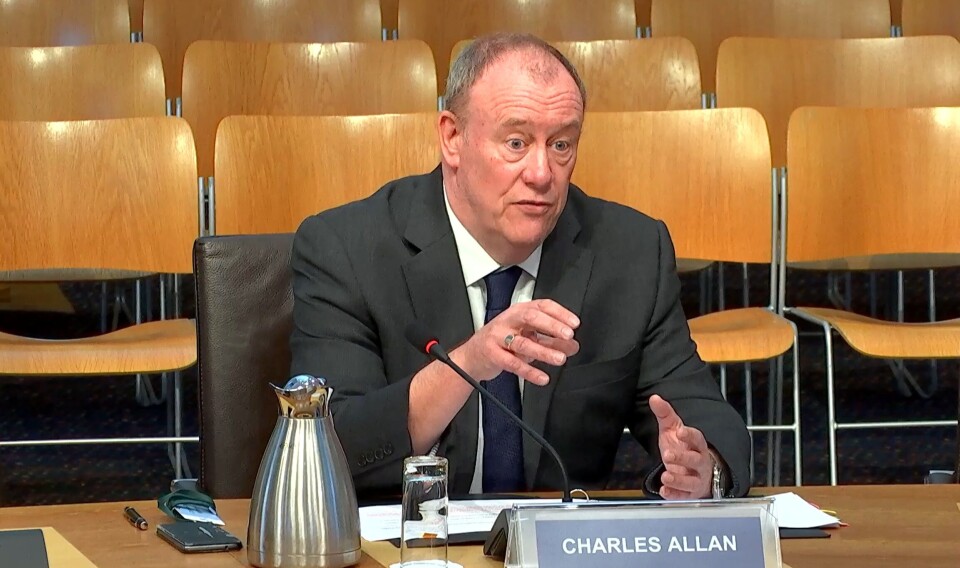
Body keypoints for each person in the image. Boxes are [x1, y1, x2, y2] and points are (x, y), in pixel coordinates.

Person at [290, 32, 751, 500]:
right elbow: (330, 445)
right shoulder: (347, 248)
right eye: (516, 142)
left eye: (561, 145)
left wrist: (704, 467)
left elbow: (703, 415)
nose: (541, 173)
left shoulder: (629, 252)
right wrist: (471, 361)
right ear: (452, 137)